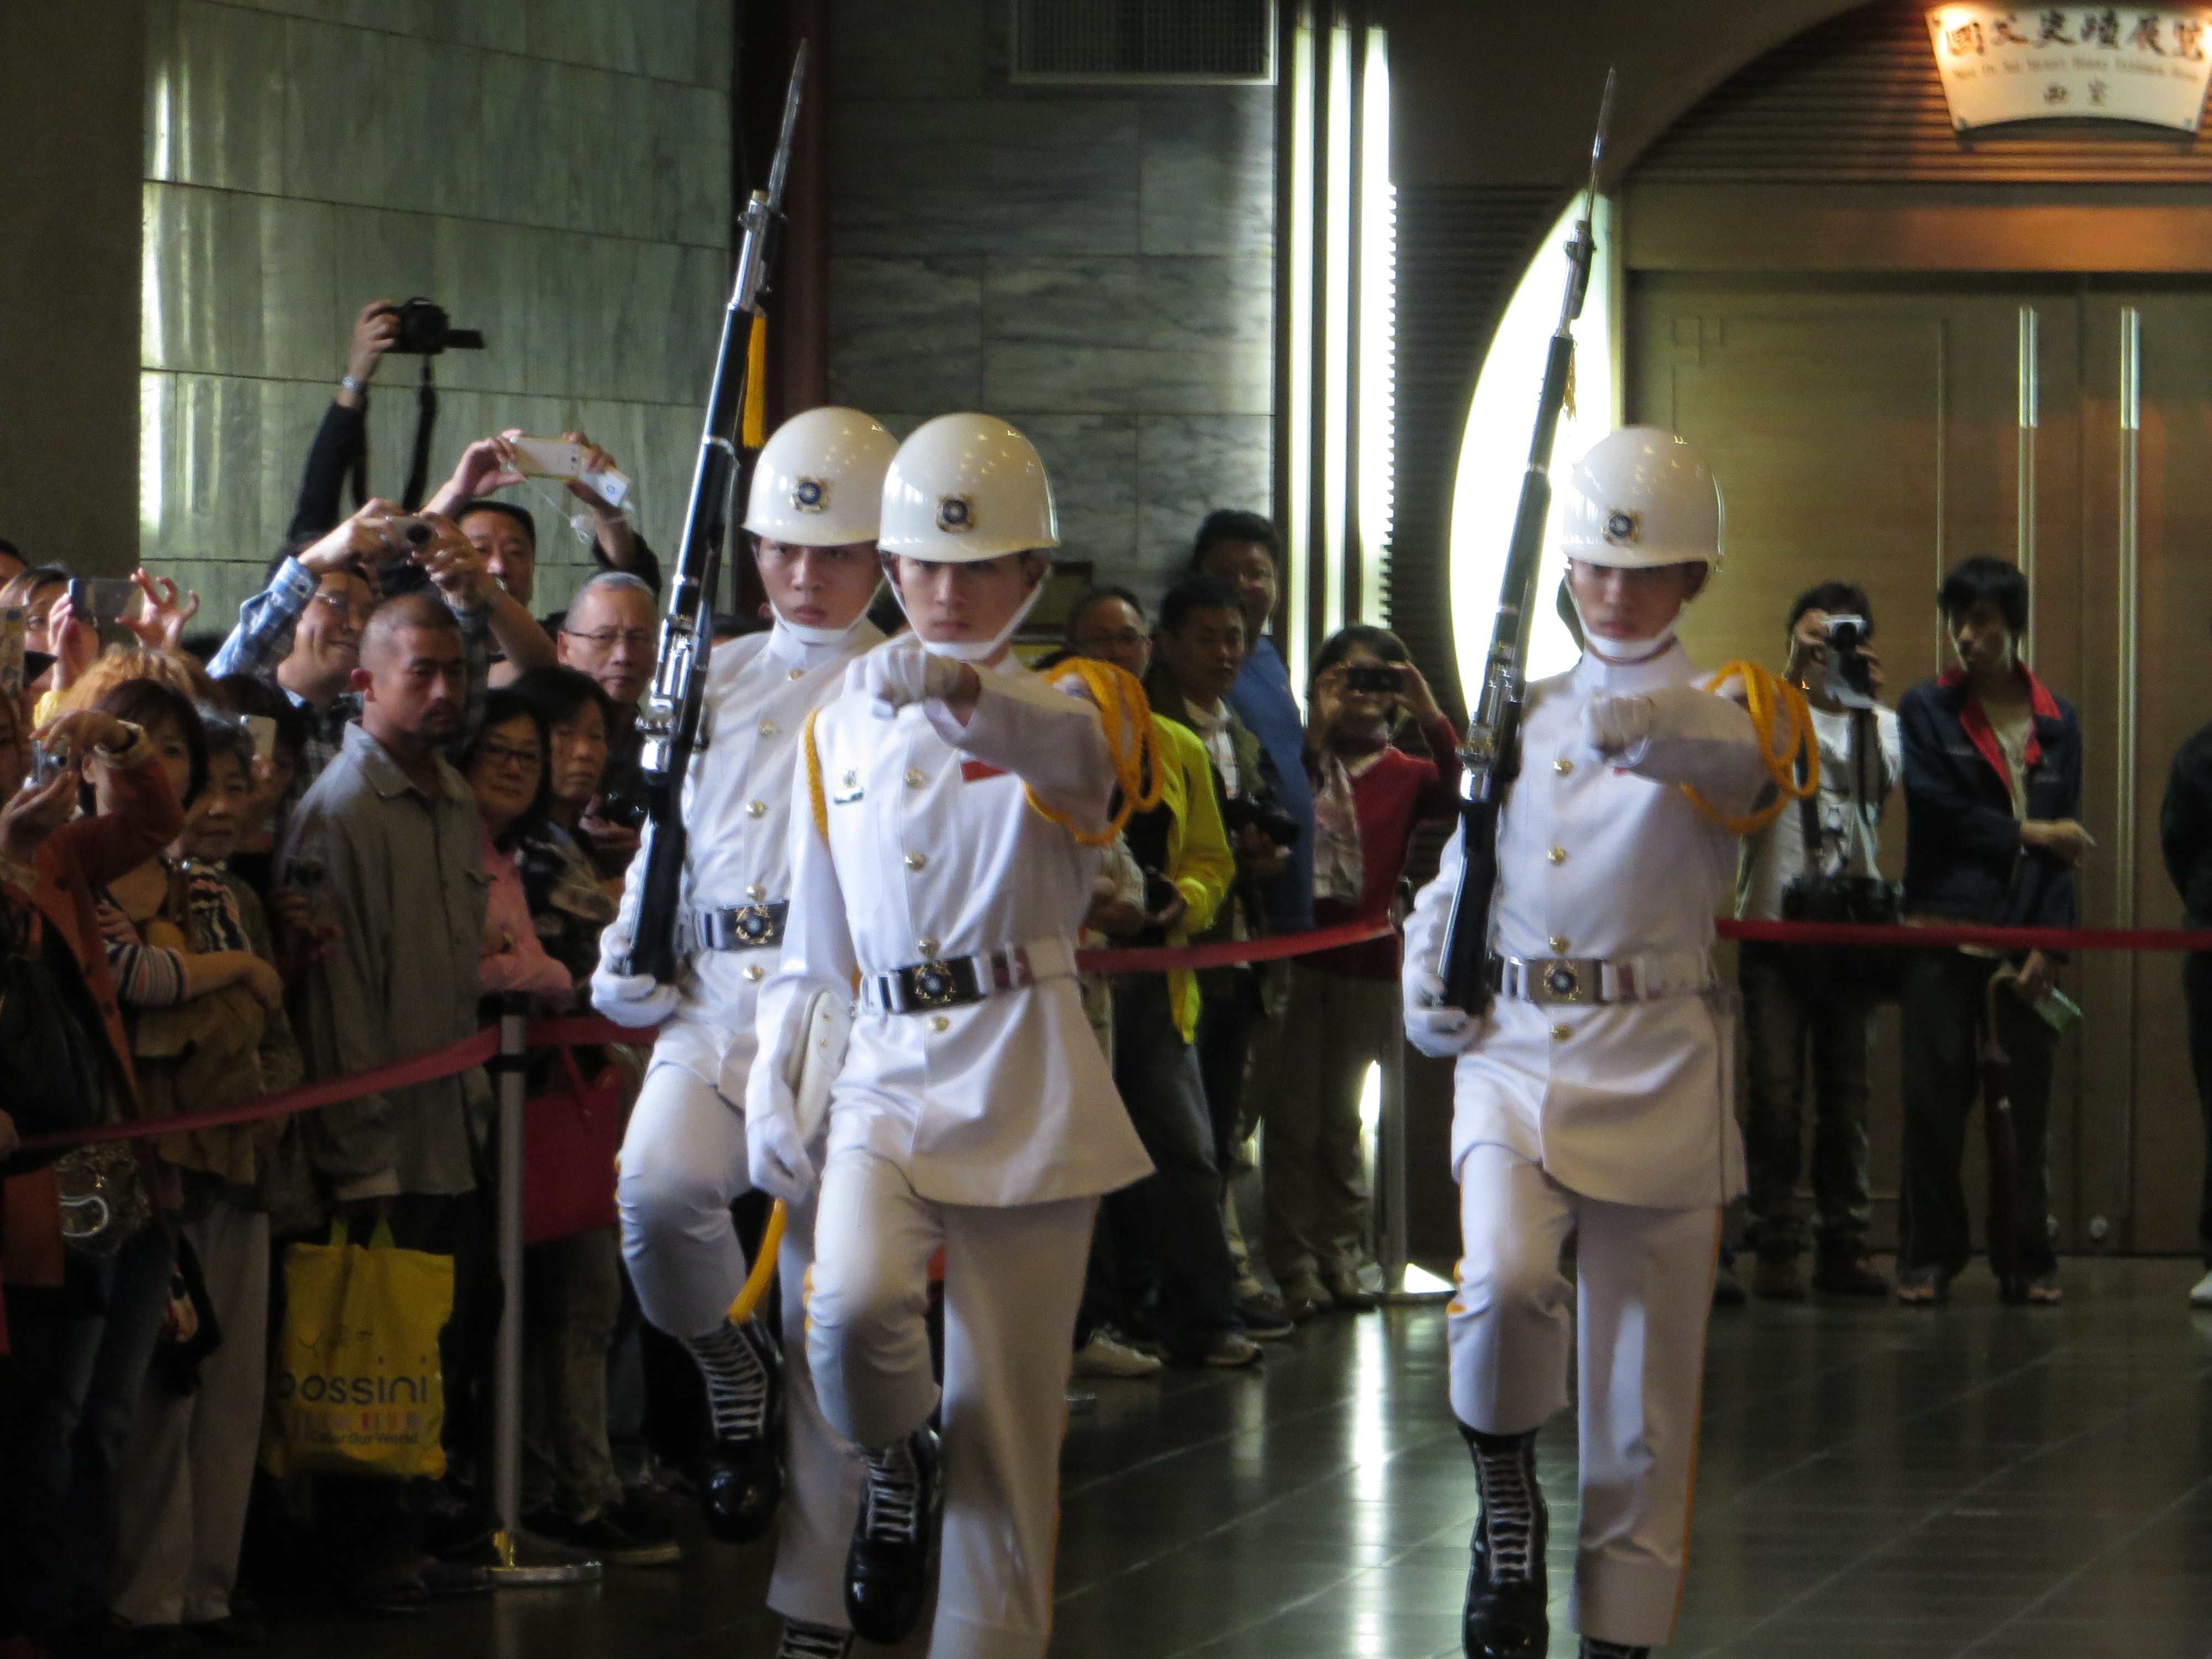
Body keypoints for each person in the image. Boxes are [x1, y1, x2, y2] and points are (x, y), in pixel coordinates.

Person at [748, 413, 1151, 1659]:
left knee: (1012, 1418)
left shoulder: (1078, 700)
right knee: (847, 1310)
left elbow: (1067, 756)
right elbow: (815, 943)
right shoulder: (839, 722)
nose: (944, 589)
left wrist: (962, 689)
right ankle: (897, 1452)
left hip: (1024, 1062)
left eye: (976, 566)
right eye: (921, 563)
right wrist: (777, 1075)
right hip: (883, 1065)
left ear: (1032, 573)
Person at [1402, 427, 1775, 1659]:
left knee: (1642, 1409)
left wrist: (1642, 724)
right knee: (1502, 1284)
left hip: (1658, 1060)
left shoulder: (1730, 705)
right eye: (1595, 567)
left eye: (1644, 571)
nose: (1614, 593)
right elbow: (1466, 863)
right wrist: (1425, 967)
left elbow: (1740, 762)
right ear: (1563, 569)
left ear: (1692, 580)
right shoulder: (1518, 713)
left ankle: (1621, 1636)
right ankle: (1504, 1489)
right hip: (1513, 1051)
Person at [593, 407, 897, 1657]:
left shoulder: (904, 685)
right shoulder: (709, 677)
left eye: (835, 552)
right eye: (783, 548)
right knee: (656, 1192)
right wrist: (628, 942)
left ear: (882, 556)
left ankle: (813, 1614)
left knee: (828, 1316)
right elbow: (668, 836)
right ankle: (725, 1363)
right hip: (714, 996)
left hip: (844, 1021)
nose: (804, 575)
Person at [279, 591, 494, 1612]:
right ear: (366, 681)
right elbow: (340, 1003)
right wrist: (360, 1156)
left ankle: (408, 1533)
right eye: (423, 673)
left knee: (436, 1341)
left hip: (451, 1125)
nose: (446, 691)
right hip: (381, 1140)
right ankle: (361, 1554)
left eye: (458, 671)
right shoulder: (341, 812)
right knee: (367, 1347)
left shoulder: (451, 795)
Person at [105, 701, 298, 1648]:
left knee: (231, 1391)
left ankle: (209, 1589)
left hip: (238, 1159)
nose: (157, 772)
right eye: (134, 753)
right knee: (162, 1392)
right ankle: (149, 1596)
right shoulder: (99, 888)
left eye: (175, 754)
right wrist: (241, 975)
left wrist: (274, 1107)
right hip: (151, 1170)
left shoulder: (224, 894)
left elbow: (274, 1026)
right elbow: (139, 996)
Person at [0, 701, 183, 1652]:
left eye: (6, 738)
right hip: (32, 1176)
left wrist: (116, 738)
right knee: (48, 1411)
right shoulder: (26, 856)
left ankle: (84, 1602)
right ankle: (34, 1614)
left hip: (115, 1149)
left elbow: (155, 823)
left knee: (108, 1409)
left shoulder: (61, 847)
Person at [1063, 586, 1259, 1368]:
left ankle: (1206, 1319)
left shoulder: (1174, 743)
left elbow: (1212, 857)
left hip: (1155, 974)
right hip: (1068, 975)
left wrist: (1186, 900)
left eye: (1130, 638)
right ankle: (1090, 1323)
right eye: (1100, 640)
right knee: (1080, 1158)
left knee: (1184, 1150)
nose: (1118, 653)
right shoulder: (1043, 732)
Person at [1896, 556, 2086, 1308]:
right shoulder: (1927, 708)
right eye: (1957, 622)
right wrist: (2028, 831)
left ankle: (2027, 1260)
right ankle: (1929, 1258)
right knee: (1932, 1110)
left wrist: (2052, 945)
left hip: (2023, 936)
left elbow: (2066, 845)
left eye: (1980, 621)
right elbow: (1936, 811)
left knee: (2027, 1113)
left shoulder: (2057, 719)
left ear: (2013, 626)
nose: (1966, 637)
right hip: (1940, 930)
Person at [1258, 624, 1459, 1317]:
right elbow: (1273, 798)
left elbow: (1469, 791)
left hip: (1366, 961)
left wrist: (1429, 711)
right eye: (1350, 676)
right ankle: (1293, 1264)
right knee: (1291, 1118)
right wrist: (1314, 729)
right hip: (1292, 955)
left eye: (1381, 678)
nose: (1366, 691)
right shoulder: (1294, 760)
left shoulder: (1407, 774)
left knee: (1343, 1118)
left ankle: (1341, 1255)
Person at [1731, 583, 1900, 1302]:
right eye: (1816, 636)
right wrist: (1788, 677)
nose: (1831, 649)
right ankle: (1773, 1241)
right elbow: (1747, 773)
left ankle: (1845, 1244)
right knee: (1774, 1097)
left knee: (1847, 1098)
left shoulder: (1881, 723)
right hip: (1773, 926)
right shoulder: (1766, 709)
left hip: (1851, 932)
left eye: (1843, 636)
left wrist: (1859, 704)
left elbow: (1874, 793)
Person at [1144, 573, 1296, 1328]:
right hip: (1168, 955)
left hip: (1238, 949)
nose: (1224, 653)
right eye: (1206, 638)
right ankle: (1193, 1290)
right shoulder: (1148, 724)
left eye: (1234, 638)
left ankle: (1223, 1276)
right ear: (1166, 644)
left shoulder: (1238, 727)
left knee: (1226, 1126)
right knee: (1180, 1135)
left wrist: (1262, 856)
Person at [1188, 510, 1316, 935]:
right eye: (1225, 575)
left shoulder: (1268, 657)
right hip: (1232, 904)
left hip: (1292, 892)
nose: (1242, 586)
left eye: (1257, 573)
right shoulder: (1192, 669)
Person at [555, 571, 660, 873]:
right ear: (565, 648)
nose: (623, 656)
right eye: (604, 637)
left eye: (639, 639)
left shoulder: (665, 748)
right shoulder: (534, 737)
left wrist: (646, 852)